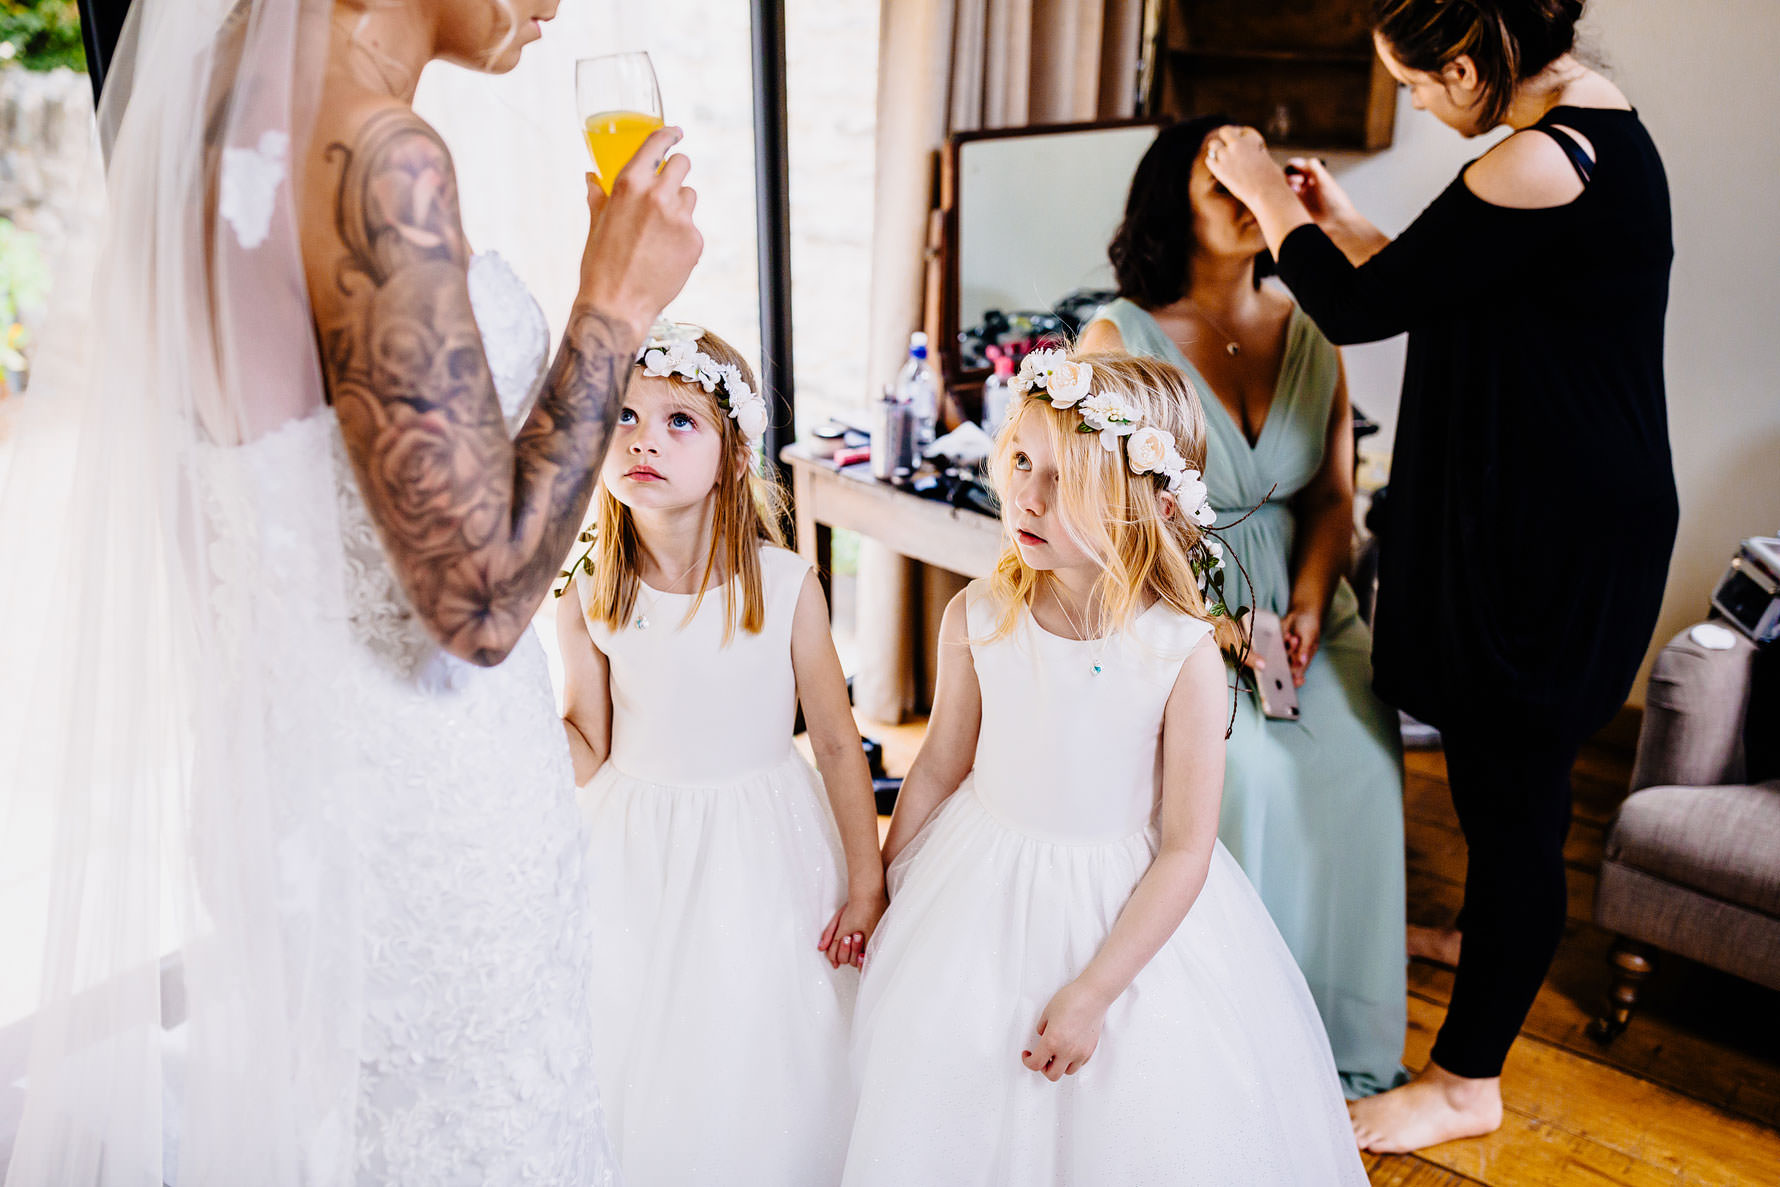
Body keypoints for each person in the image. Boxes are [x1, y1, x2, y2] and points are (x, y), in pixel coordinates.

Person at [0, 1, 700, 1181]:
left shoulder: (208, 114)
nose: (553, 4)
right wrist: (615, 309)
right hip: (425, 822)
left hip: (283, 778)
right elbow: (477, 601)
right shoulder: (379, 158)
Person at [1204, 0, 1676, 1153]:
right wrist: (1339, 216)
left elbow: (1366, 308)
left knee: (1516, 805)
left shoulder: (1539, 158)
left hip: (1552, 537)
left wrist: (1267, 191)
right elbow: (1433, 285)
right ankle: (1486, 941)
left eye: (1417, 83)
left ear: (1466, 61)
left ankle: (1467, 1079)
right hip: (1550, 510)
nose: (1417, 102)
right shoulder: (1582, 128)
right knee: (1500, 785)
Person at [841, 349, 1367, 1185]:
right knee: (957, 1085)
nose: (1029, 494)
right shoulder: (977, 616)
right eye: (1022, 458)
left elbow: (1187, 849)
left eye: (1067, 477)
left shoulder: (1179, 654)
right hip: (976, 886)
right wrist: (890, 884)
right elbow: (939, 765)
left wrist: (1092, 991)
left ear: (1146, 506)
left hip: (1121, 917)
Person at [1083, 115, 1408, 1098]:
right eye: (1218, 175)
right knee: (1253, 777)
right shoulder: (1118, 336)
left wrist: (1309, 604)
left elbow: (1330, 498)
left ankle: (1333, 1032)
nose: (1242, 190)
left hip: (1306, 608)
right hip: (1174, 604)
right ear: (1167, 200)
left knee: (1362, 762)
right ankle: (1230, 1032)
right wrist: (1216, 625)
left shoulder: (1314, 323)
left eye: (1257, 173)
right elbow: (1111, 516)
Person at [556, 322, 885, 1184]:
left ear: (735, 456)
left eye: (678, 422)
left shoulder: (781, 587)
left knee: (759, 1027)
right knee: (645, 1026)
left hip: (762, 840)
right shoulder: (590, 591)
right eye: (624, 417)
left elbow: (841, 746)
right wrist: (510, 718)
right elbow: (588, 742)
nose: (642, 440)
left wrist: (865, 878)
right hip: (636, 847)